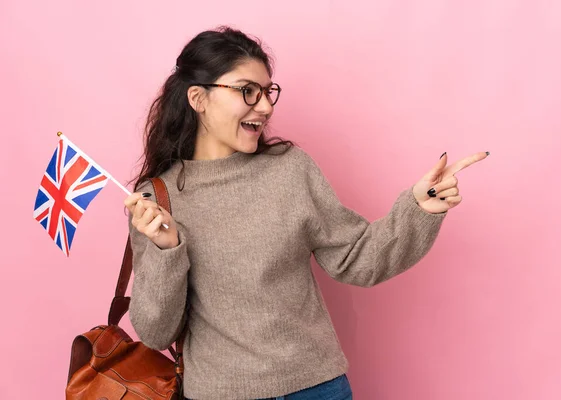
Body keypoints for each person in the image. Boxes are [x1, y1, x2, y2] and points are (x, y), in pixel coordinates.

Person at [124, 25, 488, 400]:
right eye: (247, 90)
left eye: (268, 92)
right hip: (221, 393)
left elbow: (356, 258)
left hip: (317, 387)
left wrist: (418, 209)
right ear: (198, 98)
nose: (264, 106)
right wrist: (168, 249)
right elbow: (155, 332)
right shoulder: (156, 201)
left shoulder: (290, 169)